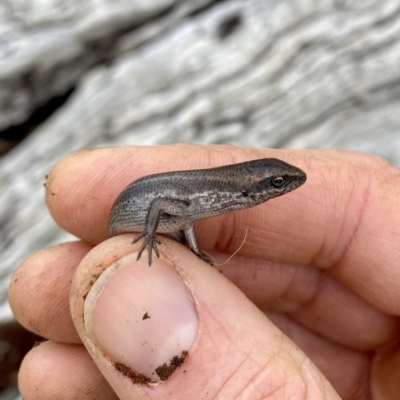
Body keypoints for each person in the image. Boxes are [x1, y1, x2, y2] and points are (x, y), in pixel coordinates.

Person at [9, 144, 400, 399]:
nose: (284, 187)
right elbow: (162, 203)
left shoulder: (211, 198)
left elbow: (184, 218)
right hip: (127, 224)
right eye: (276, 184)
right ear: (251, 190)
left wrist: (194, 252)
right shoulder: (210, 193)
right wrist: (148, 236)